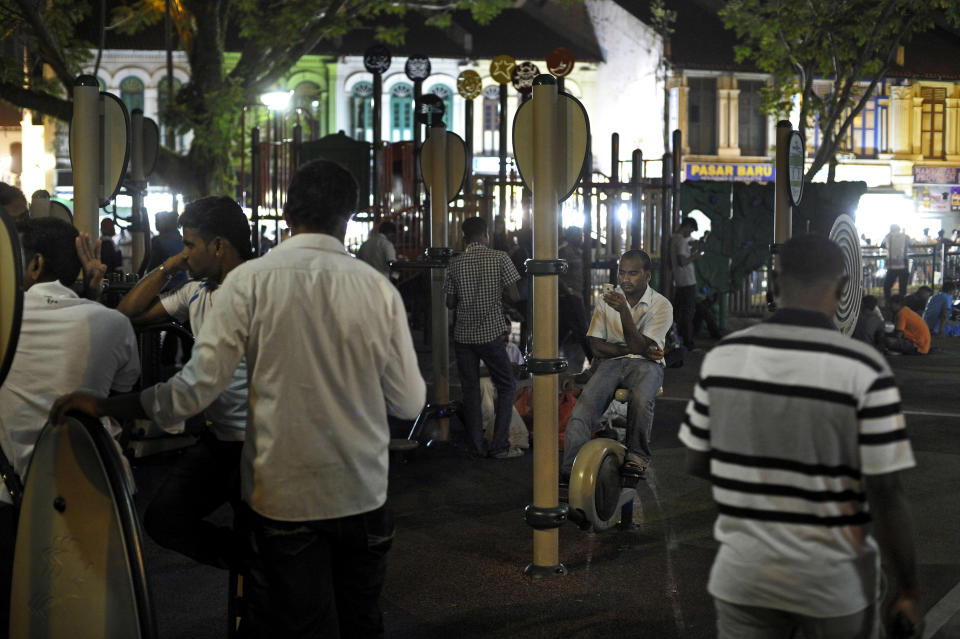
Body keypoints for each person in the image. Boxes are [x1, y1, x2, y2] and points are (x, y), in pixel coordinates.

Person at [51, 160, 427, 638]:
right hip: (364, 493)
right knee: (360, 621)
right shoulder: (376, 287)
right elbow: (410, 403)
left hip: (287, 493)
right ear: (348, 217)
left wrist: (107, 405)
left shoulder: (250, 283)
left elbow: (192, 391)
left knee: (296, 622)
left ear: (288, 213)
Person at [680, 234, 922, 639]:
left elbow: (696, 460)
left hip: (744, 576)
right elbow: (887, 491)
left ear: (774, 285)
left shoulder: (724, 357)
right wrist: (908, 588)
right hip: (834, 582)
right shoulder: (862, 368)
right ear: (844, 288)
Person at [0, 217, 140, 637]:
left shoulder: (4, 325)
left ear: (35, 264)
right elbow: (122, 387)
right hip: (95, 489)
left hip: (8, 498)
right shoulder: (112, 324)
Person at [115, 195, 254, 570]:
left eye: (190, 245)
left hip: (261, 446)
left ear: (219, 246)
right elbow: (128, 314)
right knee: (163, 519)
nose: (185, 253)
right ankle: (250, 560)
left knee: (264, 545)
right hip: (218, 442)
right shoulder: (195, 291)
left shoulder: (258, 289)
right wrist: (170, 264)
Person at [560, 249, 673, 483]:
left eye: (633, 274)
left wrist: (623, 312)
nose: (624, 279)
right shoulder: (606, 301)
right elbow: (597, 347)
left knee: (642, 399)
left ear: (647, 276)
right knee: (582, 410)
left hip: (647, 366)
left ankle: (638, 456)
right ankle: (570, 468)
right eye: (622, 273)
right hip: (611, 363)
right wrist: (633, 349)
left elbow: (642, 347)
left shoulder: (661, 305)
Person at [444, 216, 522, 459]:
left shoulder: (455, 263)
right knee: (507, 384)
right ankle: (499, 445)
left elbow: (449, 303)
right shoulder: (501, 258)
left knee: (470, 390)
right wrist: (494, 298)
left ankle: (476, 446)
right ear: (486, 235)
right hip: (489, 333)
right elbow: (515, 295)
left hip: (463, 335)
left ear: (464, 238)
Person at [558, 225, 592, 373]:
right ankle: (594, 360)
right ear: (571, 236)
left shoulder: (578, 252)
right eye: (579, 235)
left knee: (563, 330)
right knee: (582, 329)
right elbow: (557, 274)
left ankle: (546, 353)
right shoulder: (564, 251)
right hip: (570, 296)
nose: (581, 238)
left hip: (575, 294)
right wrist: (567, 290)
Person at [670, 217, 703, 350]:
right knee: (688, 313)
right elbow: (682, 261)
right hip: (687, 281)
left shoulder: (674, 239)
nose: (691, 233)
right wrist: (695, 256)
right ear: (687, 226)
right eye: (691, 230)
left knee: (677, 313)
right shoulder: (681, 241)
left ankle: (674, 340)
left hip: (679, 281)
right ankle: (688, 343)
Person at [881, 223, 911, 306]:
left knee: (887, 286)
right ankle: (902, 304)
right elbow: (912, 244)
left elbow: (882, 245)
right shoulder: (906, 236)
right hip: (903, 265)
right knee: (902, 287)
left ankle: (889, 302)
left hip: (892, 266)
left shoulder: (888, 236)